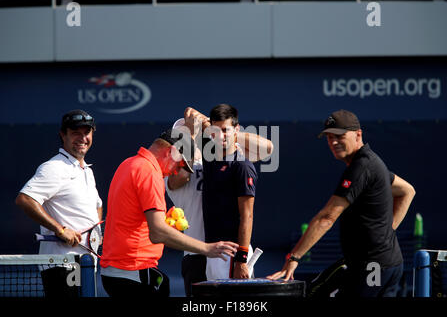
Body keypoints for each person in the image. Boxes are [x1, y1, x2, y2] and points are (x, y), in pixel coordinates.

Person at [268, 109, 416, 297]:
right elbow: (407, 190)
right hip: (383, 264)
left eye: (340, 136)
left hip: (373, 267)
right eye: (329, 137)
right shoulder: (370, 163)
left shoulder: (362, 167)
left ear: (358, 134)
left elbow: (327, 218)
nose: (334, 142)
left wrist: (294, 258)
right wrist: (387, 230)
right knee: (316, 289)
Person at [99, 128, 239, 298]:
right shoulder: (150, 172)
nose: (175, 172)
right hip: (133, 272)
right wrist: (206, 248)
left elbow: (133, 218)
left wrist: (163, 222)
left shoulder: (129, 163)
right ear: (171, 151)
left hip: (116, 272)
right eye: (179, 165)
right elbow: (157, 233)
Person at [165, 107, 273, 295]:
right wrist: (192, 136)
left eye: (194, 133)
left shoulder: (222, 159)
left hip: (225, 250)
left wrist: (217, 129)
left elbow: (267, 148)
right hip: (195, 253)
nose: (193, 136)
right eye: (183, 136)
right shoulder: (173, 172)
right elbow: (181, 176)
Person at [15, 109, 103, 298]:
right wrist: (60, 229)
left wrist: (95, 233)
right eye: (75, 133)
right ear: (63, 135)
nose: (82, 138)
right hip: (63, 263)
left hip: (86, 262)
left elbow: (97, 203)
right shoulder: (53, 168)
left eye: (86, 132)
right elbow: (25, 199)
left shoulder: (86, 170)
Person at [199, 104, 259, 280]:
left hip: (232, 254)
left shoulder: (242, 166)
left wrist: (240, 260)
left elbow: (247, 216)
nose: (221, 136)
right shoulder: (209, 156)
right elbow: (191, 112)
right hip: (213, 251)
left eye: (226, 130)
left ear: (237, 130)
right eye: (216, 131)